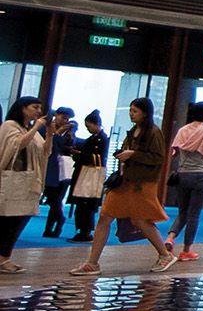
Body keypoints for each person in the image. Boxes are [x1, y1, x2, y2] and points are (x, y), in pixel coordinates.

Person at [71, 97, 172, 275]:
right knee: (105, 217)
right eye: (130, 111)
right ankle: (92, 262)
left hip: (141, 183)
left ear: (145, 113)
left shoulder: (153, 132)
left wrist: (133, 154)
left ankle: (164, 254)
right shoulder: (133, 131)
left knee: (140, 220)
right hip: (125, 182)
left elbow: (158, 158)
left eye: (135, 111)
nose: (131, 114)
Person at [0, 97, 53, 272]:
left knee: (18, 221)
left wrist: (50, 134)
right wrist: (36, 127)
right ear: (23, 108)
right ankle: (3, 258)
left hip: (28, 183)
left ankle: (4, 257)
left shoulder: (30, 129)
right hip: (12, 182)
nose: (38, 111)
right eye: (35, 107)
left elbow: (45, 151)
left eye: (40, 108)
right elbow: (17, 145)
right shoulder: (10, 126)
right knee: (7, 221)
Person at [163, 101, 203, 262]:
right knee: (194, 214)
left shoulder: (182, 130)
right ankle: (186, 250)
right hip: (201, 175)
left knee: (182, 211)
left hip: (183, 175)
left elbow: (175, 152)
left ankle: (170, 238)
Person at [67, 110, 110, 242]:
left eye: (89, 126)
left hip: (92, 174)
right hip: (86, 173)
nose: (88, 129)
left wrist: (80, 154)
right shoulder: (93, 139)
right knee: (82, 205)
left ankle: (85, 231)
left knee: (87, 205)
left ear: (96, 124)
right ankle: (82, 230)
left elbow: (96, 157)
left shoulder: (101, 139)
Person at [39, 105, 75, 238]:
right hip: (49, 168)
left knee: (57, 199)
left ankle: (50, 228)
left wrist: (70, 137)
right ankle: (58, 220)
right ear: (56, 115)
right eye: (63, 117)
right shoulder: (45, 127)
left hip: (63, 169)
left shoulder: (68, 132)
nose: (65, 121)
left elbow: (68, 147)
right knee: (52, 198)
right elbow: (48, 145)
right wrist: (58, 133)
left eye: (67, 119)